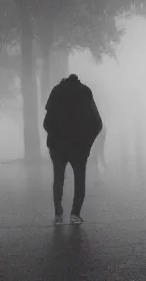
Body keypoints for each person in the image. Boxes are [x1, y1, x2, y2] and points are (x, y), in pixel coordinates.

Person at [43, 74, 103, 225]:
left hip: (58, 145)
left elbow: (46, 123)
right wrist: (88, 142)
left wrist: (54, 136)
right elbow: (98, 123)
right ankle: (75, 214)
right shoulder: (85, 92)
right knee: (79, 178)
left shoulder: (56, 92)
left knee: (58, 178)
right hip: (79, 146)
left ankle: (58, 214)